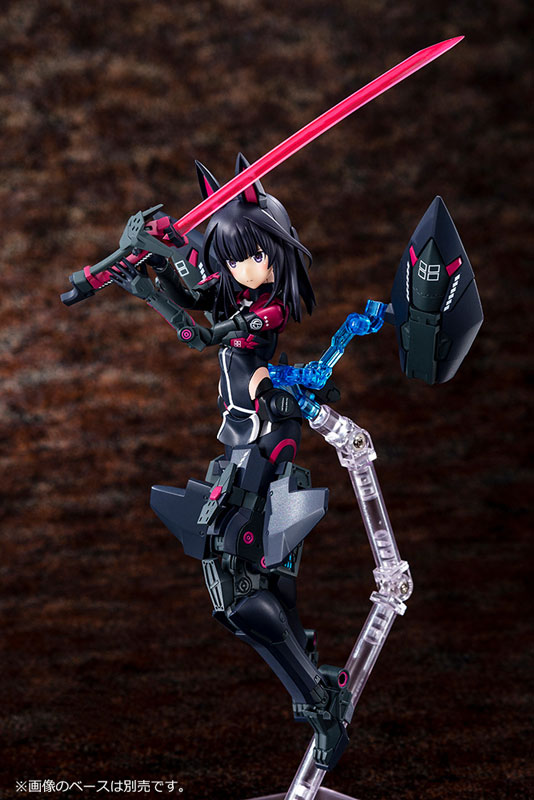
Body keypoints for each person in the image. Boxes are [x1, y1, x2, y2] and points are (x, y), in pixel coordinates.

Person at [110, 154, 353, 771]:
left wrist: (148, 282)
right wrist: (156, 258)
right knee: (249, 577)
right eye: (234, 257)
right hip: (242, 437)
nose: (244, 268)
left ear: (276, 250)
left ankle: (321, 702)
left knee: (239, 581)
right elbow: (196, 292)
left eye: (255, 255)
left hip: (268, 434)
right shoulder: (233, 288)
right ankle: (307, 664)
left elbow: (199, 333)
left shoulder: (267, 309)